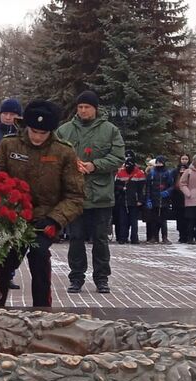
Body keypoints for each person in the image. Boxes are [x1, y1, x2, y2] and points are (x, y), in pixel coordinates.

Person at [0, 99, 84, 307]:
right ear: (26, 126)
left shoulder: (64, 152)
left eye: (43, 133)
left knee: (39, 256)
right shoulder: (8, 144)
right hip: (12, 216)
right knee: (3, 261)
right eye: (34, 131)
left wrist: (55, 220)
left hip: (45, 217)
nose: (38, 137)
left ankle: (41, 310)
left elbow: (75, 196)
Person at [55, 90, 124, 294]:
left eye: (87, 107)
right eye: (80, 107)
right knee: (75, 238)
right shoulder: (65, 130)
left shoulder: (109, 130)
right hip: (74, 195)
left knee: (100, 239)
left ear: (95, 109)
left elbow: (118, 156)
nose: (83, 110)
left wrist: (95, 165)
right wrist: (70, 165)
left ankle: (101, 278)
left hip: (101, 195)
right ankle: (76, 277)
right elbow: (54, 155)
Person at [113, 156, 145, 244]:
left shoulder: (139, 174)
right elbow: (116, 186)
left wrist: (140, 200)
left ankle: (134, 238)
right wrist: (121, 188)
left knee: (134, 221)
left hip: (134, 201)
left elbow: (141, 189)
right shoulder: (120, 173)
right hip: (123, 200)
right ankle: (123, 238)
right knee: (123, 221)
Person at [145, 155, 174, 244]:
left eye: (160, 162)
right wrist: (148, 199)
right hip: (154, 199)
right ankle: (154, 237)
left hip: (164, 200)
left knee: (163, 220)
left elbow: (171, 186)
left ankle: (164, 237)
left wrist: (167, 192)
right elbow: (148, 187)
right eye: (157, 162)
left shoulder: (168, 173)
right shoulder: (152, 173)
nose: (159, 164)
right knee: (154, 220)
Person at [171, 153, 191, 243]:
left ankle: (188, 235)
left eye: (186, 159)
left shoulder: (191, 171)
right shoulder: (175, 171)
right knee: (179, 218)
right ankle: (181, 235)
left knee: (188, 218)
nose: (184, 161)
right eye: (183, 159)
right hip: (177, 198)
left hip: (188, 198)